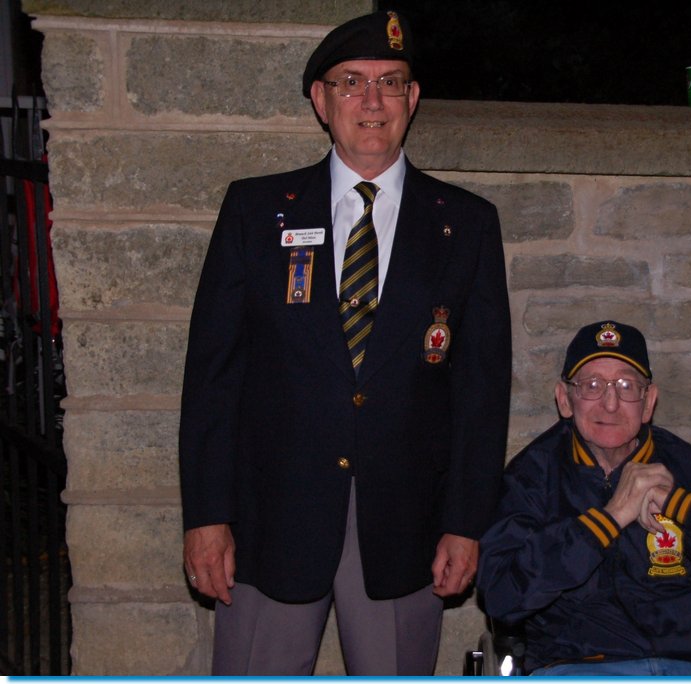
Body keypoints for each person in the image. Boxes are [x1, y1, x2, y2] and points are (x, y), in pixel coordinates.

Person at [178, 10, 511, 676]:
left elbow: (481, 392)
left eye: (391, 83)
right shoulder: (256, 212)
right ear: (320, 100)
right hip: (271, 519)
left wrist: (465, 523)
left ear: (413, 99)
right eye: (352, 82)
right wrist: (207, 515)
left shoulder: (465, 225)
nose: (372, 101)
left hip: (405, 528)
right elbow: (212, 379)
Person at [476, 321, 691, 676]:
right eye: (592, 386)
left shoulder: (690, 468)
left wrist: (685, 509)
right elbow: (501, 595)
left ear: (648, 402)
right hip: (581, 665)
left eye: (626, 386)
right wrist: (607, 520)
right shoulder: (534, 475)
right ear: (565, 399)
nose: (610, 404)